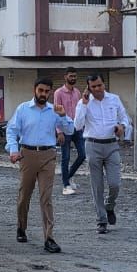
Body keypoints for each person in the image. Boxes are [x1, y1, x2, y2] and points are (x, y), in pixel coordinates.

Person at [6, 78, 75, 253]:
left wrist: (63, 116)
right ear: (34, 90)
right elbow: (12, 130)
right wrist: (13, 150)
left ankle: (49, 238)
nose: (43, 94)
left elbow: (70, 130)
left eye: (46, 91)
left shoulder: (54, 110)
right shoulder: (23, 109)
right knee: (24, 195)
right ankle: (21, 227)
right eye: (40, 90)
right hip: (27, 154)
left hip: (48, 155)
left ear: (50, 92)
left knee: (46, 197)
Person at [74, 74, 130, 234]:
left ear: (104, 84)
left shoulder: (114, 99)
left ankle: (109, 205)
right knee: (97, 185)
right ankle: (101, 220)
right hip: (93, 145)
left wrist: (122, 126)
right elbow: (77, 125)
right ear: (89, 88)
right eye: (94, 87)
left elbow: (124, 118)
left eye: (100, 85)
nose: (97, 89)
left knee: (115, 184)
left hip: (111, 145)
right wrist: (84, 104)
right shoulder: (83, 103)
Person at [54, 67, 86, 195]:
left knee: (83, 155)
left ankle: (69, 176)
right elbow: (56, 112)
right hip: (64, 129)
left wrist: (82, 127)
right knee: (65, 157)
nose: (73, 78)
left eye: (74, 76)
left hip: (77, 129)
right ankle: (66, 185)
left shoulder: (77, 92)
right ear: (65, 77)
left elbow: (80, 111)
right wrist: (59, 132)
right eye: (71, 76)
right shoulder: (58, 93)